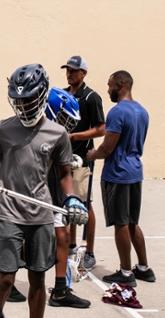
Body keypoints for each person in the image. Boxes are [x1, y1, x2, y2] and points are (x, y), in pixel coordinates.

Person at [0, 64, 88, 318]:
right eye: (19, 100)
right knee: (6, 278)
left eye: (29, 99)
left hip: (41, 215)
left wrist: (72, 197)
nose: (24, 106)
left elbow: (64, 174)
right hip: (8, 214)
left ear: (42, 94)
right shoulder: (2, 129)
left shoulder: (57, 133)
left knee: (37, 279)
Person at [87, 70, 156, 286]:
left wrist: (93, 154)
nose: (108, 90)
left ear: (121, 84)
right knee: (133, 221)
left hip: (118, 174)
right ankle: (144, 268)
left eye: (110, 85)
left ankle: (126, 272)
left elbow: (108, 147)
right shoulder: (142, 111)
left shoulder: (117, 113)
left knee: (121, 223)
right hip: (135, 171)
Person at [43, 88, 90, 308]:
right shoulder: (38, 132)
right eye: (63, 117)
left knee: (62, 238)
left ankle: (60, 290)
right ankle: (2, 276)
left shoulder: (59, 135)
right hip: (37, 196)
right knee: (25, 242)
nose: (67, 123)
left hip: (57, 194)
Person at [61, 56, 106, 270]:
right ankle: (70, 244)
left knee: (84, 205)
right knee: (66, 203)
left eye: (74, 70)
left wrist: (74, 137)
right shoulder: (61, 95)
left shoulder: (91, 97)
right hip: (61, 158)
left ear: (83, 73)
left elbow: (101, 129)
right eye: (67, 70)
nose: (70, 73)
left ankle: (89, 251)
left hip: (81, 161)